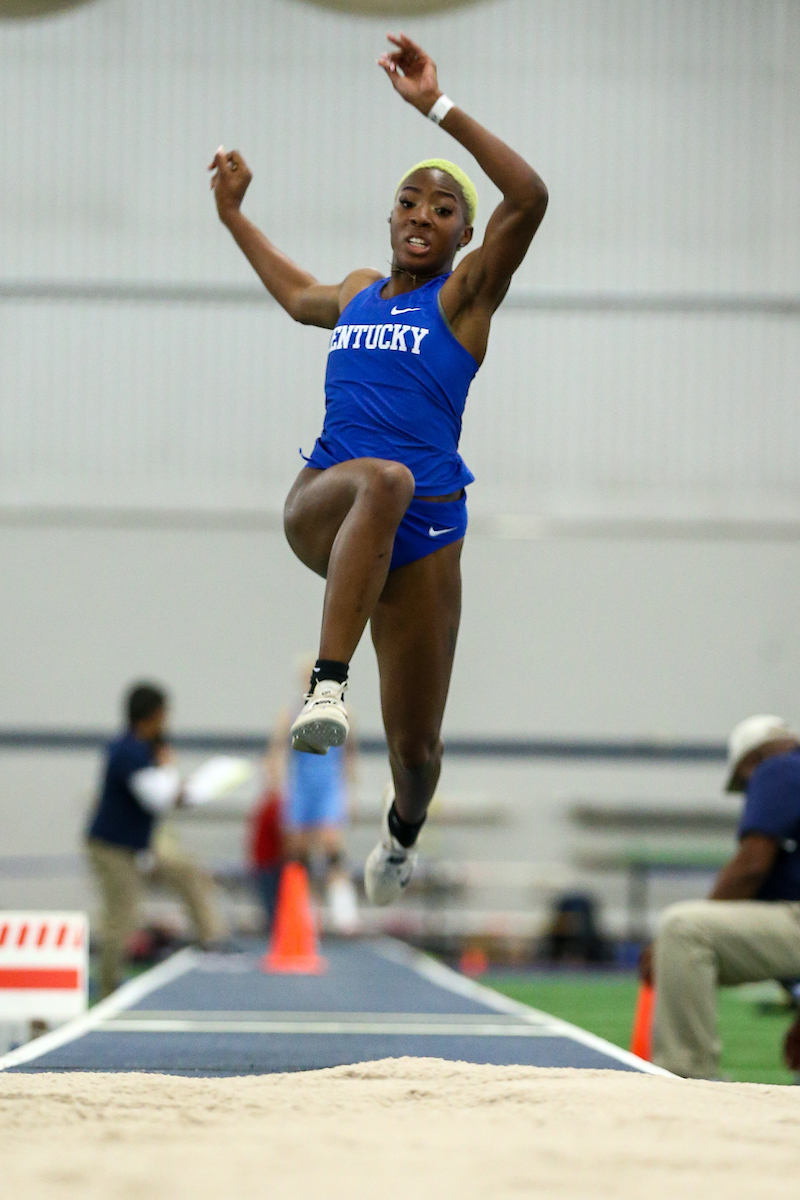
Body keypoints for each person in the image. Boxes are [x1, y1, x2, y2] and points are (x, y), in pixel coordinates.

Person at [209, 32, 548, 905]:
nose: (422, 216)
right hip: (328, 501)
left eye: (443, 210)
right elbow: (294, 297)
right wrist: (236, 217)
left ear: (466, 236)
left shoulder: (465, 298)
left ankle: (401, 836)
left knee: (418, 750)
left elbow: (532, 194)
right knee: (381, 479)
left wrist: (434, 106)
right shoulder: (359, 292)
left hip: (427, 533)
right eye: (410, 201)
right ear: (389, 217)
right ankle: (329, 687)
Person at [640, 714, 800, 1078]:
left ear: (750, 762)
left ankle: (689, 1074)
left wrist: (669, 944)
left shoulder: (778, 769)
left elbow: (750, 867)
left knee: (685, 928)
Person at [86, 682, 227, 997]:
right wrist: (175, 774)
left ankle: (211, 940)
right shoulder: (128, 751)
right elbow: (160, 798)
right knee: (121, 914)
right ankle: (108, 987)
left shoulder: (143, 749)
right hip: (112, 847)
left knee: (187, 872)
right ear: (154, 714)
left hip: (137, 844)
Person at [266, 659, 360, 934]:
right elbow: (277, 750)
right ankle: (303, 913)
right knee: (298, 853)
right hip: (302, 787)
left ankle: (344, 913)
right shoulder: (290, 713)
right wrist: (276, 782)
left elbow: (350, 755)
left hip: (329, 785)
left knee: (332, 848)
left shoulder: (345, 711)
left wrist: (350, 793)